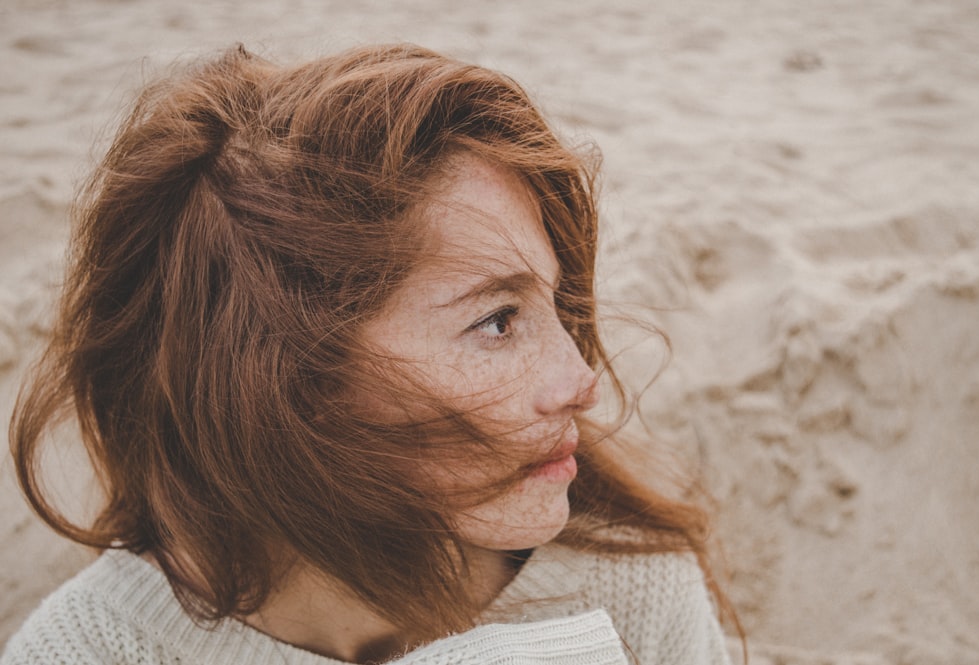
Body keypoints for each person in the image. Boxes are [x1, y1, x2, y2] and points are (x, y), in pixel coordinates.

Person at [3, 44, 739, 665]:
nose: (580, 381)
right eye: (497, 320)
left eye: (560, 304)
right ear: (282, 380)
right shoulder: (86, 649)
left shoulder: (630, 591)